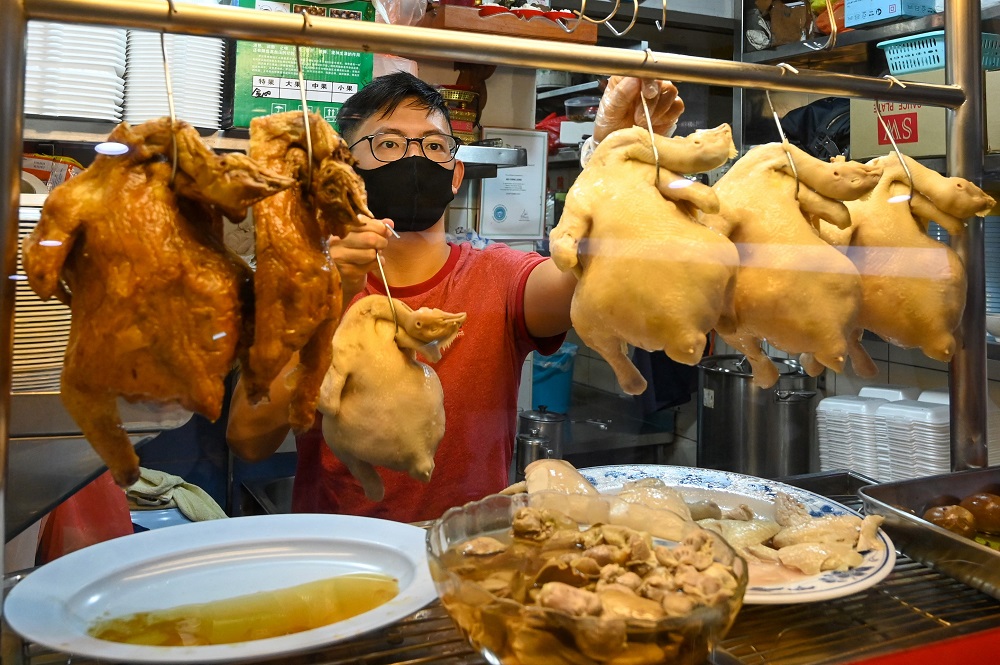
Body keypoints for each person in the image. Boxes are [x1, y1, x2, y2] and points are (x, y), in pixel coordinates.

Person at [226, 71, 684, 523]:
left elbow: (591, 274)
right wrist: (324, 303)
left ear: (455, 174)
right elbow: (248, 440)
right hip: (340, 554)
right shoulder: (303, 288)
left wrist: (615, 165)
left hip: (468, 551)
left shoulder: (501, 277)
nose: (415, 157)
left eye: (434, 146)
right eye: (388, 144)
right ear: (348, 171)